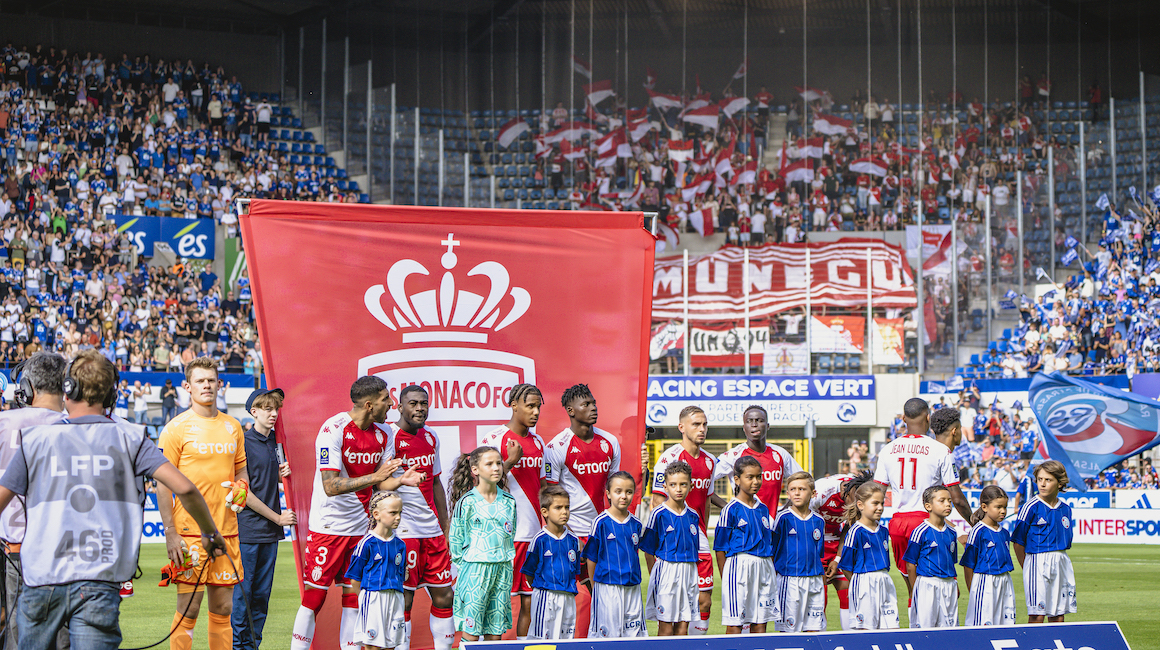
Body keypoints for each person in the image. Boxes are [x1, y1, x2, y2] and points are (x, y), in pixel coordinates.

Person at [0, 350, 226, 650]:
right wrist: (209, 532)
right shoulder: (131, 437)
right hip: (99, 580)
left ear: (68, 391)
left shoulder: (36, 440)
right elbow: (185, 489)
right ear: (112, 395)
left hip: (41, 578)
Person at [290, 376, 424, 650]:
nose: (391, 404)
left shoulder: (384, 433)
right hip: (328, 527)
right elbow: (330, 486)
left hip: (362, 530)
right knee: (314, 598)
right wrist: (375, 476)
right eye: (386, 399)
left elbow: (380, 483)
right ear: (369, 405)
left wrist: (400, 480)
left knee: (354, 598)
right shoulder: (333, 429)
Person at [157, 356, 249, 650]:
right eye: (199, 381)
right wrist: (170, 532)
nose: (206, 385)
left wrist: (242, 487)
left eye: (211, 380)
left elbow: (241, 470)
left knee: (223, 609)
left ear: (220, 384)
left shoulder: (233, 426)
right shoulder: (175, 428)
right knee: (189, 609)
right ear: (188, 386)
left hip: (226, 531)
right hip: (189, 534)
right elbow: (162, 483)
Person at [0, 352, 68, 650]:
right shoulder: (81, 427)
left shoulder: (3, 423)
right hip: (69, 556)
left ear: (26, 388)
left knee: (19, 640)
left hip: (17, 553)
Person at [544, 384, 620, 637]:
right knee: (573, 597)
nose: (593, 408)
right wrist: (562, 534)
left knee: (606, 593)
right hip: (573, 533)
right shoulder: (556, 447)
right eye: (586, 404)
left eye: (594, 403)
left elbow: (614, 489)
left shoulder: (610, 442)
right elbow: (551, 495)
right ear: (570, 410)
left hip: (602, 533)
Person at [873, 401, 971, 588]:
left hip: (898, 525)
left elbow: (876, 494)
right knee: (942, 588)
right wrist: (974, 522)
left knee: (914, 590)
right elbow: (957, 499)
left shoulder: (887, 450)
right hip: (927, 525)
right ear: (928, 417)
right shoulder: (940, 450)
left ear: (903, 418)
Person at [388, 385, 455, 650]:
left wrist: (445, 526)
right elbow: (379, 482)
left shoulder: (431, 436)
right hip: (403, 530)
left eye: (424, 403)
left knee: (445, 595)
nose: (419, 408)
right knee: (404, 599)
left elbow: (436, 482)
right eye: (413, 403)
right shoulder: (389, 436)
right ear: (399, 407)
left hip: (432, 529)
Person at [479, 383, 546, 640]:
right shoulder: (494, 439)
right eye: (530, 406)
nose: (535, 412)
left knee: (530, 601)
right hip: (503, 537)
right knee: (497, 602)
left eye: (538, 406)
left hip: (533, 536)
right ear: (514, 405)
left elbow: (543, 486)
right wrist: (509, 462)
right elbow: (481, 486)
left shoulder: (539, 442)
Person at [233, 387, 296, 650]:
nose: (273, 414)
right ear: (254, 411)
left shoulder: (277, 443)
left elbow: (270, 480)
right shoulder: (243, 443)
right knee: (243, 596)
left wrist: (285, 474)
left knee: (261, 597)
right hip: (248, 530)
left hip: (270, 532)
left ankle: (253, 646)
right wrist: (278, 518)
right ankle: (238, 647)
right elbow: (244, 494)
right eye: (267, 409)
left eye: (276, 409)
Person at [650, 405, 715, 635]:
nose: (702, 429)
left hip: (699, 540)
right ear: (681, 427)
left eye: (704, 424)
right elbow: (657, 502)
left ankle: (697, 644)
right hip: (674, 546)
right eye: (696, 424)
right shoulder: (669, 458)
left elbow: (707, 500)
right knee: (672, 614)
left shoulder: (710, 461)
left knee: (704, 601)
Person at [447, 446, 518, 641]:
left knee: (495, 630)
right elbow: (456, 540)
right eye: (489, 464)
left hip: (502, 570)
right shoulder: (467, 502)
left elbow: (509, 535)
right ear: (475, 470)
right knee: (471, 630)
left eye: (499, 463)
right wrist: (468, 568)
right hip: (475, 571)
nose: (496, 468)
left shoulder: (509, 501)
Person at [712, 456, 776, 634]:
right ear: (737, 479)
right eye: (750, 477)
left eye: (759, 477)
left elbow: (769, 542)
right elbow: (720, 548)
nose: (756, 481)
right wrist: (726, 578)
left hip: (764, 567)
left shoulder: (763, 509)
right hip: (739, 566)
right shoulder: (730, 509)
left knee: (761, 621)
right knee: (735, 622)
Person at [580, 471, 646, 638]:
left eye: (628, 492)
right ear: (608, 494)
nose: (623, 496)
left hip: (632, 587)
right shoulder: (600, 522)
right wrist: (596, 587)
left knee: (634, 635)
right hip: (607, 588)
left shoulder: (636, 524)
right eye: (618, 491)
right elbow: (591, 558)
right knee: (607, 636)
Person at [1012, 460, 1076, 623]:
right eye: (1040, 479)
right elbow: (1018, 541)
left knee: (1058, 614)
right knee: (1037, 614)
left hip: (1061, 561)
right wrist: (1027, 566)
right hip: (1037, 561)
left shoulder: (1065, 509)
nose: (1042, 484)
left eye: (1048, 480)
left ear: (1059, 483)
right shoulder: (1030, 507)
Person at [641, 461, 700, 636]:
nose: (678, 489)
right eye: (673, 485)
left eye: (683, 484)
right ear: (665, 487)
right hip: (666, 571)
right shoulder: (658, 514)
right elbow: (648, 550)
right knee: (666, 627)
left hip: (689, 572)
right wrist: (656, 577)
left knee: (683, 627)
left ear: (691, 486)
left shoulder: (693, 516)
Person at [345, 492, 408, 650]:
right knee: (372, 645)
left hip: (395, 597)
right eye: (393, 513)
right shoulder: (366, 543)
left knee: (391, 644)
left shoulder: (400, 544)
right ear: (376, 514)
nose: (398, 517)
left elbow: (402, 573)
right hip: (373, 597)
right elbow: (354, 577)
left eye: (400, 512)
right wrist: (364, 597)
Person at [521, 485, 582, 640]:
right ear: (545, 512)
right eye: (558, 508)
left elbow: (574, 571)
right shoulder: (539, 540)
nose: (564, 512)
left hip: (568, 597)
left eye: (567, 507)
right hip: (545, 596)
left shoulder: (574, 540)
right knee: (541, 639)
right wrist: (543, 587)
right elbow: (529, 573)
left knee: (566, 640)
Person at [714, 405, 802, 512]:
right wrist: (729, 509)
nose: (754, 425)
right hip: (745, 520)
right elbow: (705, 480)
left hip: (773, 521)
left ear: (767, 426)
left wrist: (785, 510)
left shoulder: (780, 453)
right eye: (749, 421)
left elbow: (803, 481)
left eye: (759, 420)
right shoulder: (733, 455)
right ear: (744, 427)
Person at [836, 481, 898, 630]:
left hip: (885, 580)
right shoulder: (855, 531)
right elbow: (846, 566)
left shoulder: (883, 531)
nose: (880, 507)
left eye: (882, 503)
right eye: (875, 503)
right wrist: (858, 584)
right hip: (863, 582)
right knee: (865, 629)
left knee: (891, 627)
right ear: (860, 505)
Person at [771, 471, 827, 633]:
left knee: (815, 629)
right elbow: (772, 550)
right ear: (788, 493)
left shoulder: (819, 521)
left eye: (802, 489)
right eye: (793, 489)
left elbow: (817, 553)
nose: (796, 493)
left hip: (814, 581)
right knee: (789, 631)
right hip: (789, 580)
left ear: (813, 493)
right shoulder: (782, 518)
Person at [812, 471, 865, 630]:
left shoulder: (859, 496)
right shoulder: (822, 490)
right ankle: (818, 638)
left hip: (836, 542)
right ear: (846, 491)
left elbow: (847, 528)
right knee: (820, 598)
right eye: (854, 500)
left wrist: (837, 558)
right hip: (816, 544)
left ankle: (849, 638)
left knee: (847, 593)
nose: (856, 504)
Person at [903, 485, 959, 628]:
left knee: (950, 629)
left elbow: (951, 562)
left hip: (949, 585)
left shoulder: (952, 533)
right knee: (925, 628)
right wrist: (916, 589)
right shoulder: (920, 531)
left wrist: (955, 582)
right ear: (928, 506)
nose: (948, 504)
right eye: (942, 500)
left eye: (949, 501)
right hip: (927, 584)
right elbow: (910, 564)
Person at [961, 485, 1016, 627]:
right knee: (983, 625)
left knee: (1006, 623)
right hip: (985, 582)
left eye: (1005, 507)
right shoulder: (978, 531)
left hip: (1005, 581)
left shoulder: (1004, 533)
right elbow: (968, 564)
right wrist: (973, 592)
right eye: (998, 507)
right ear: (984, 507)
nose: (1003, 511)